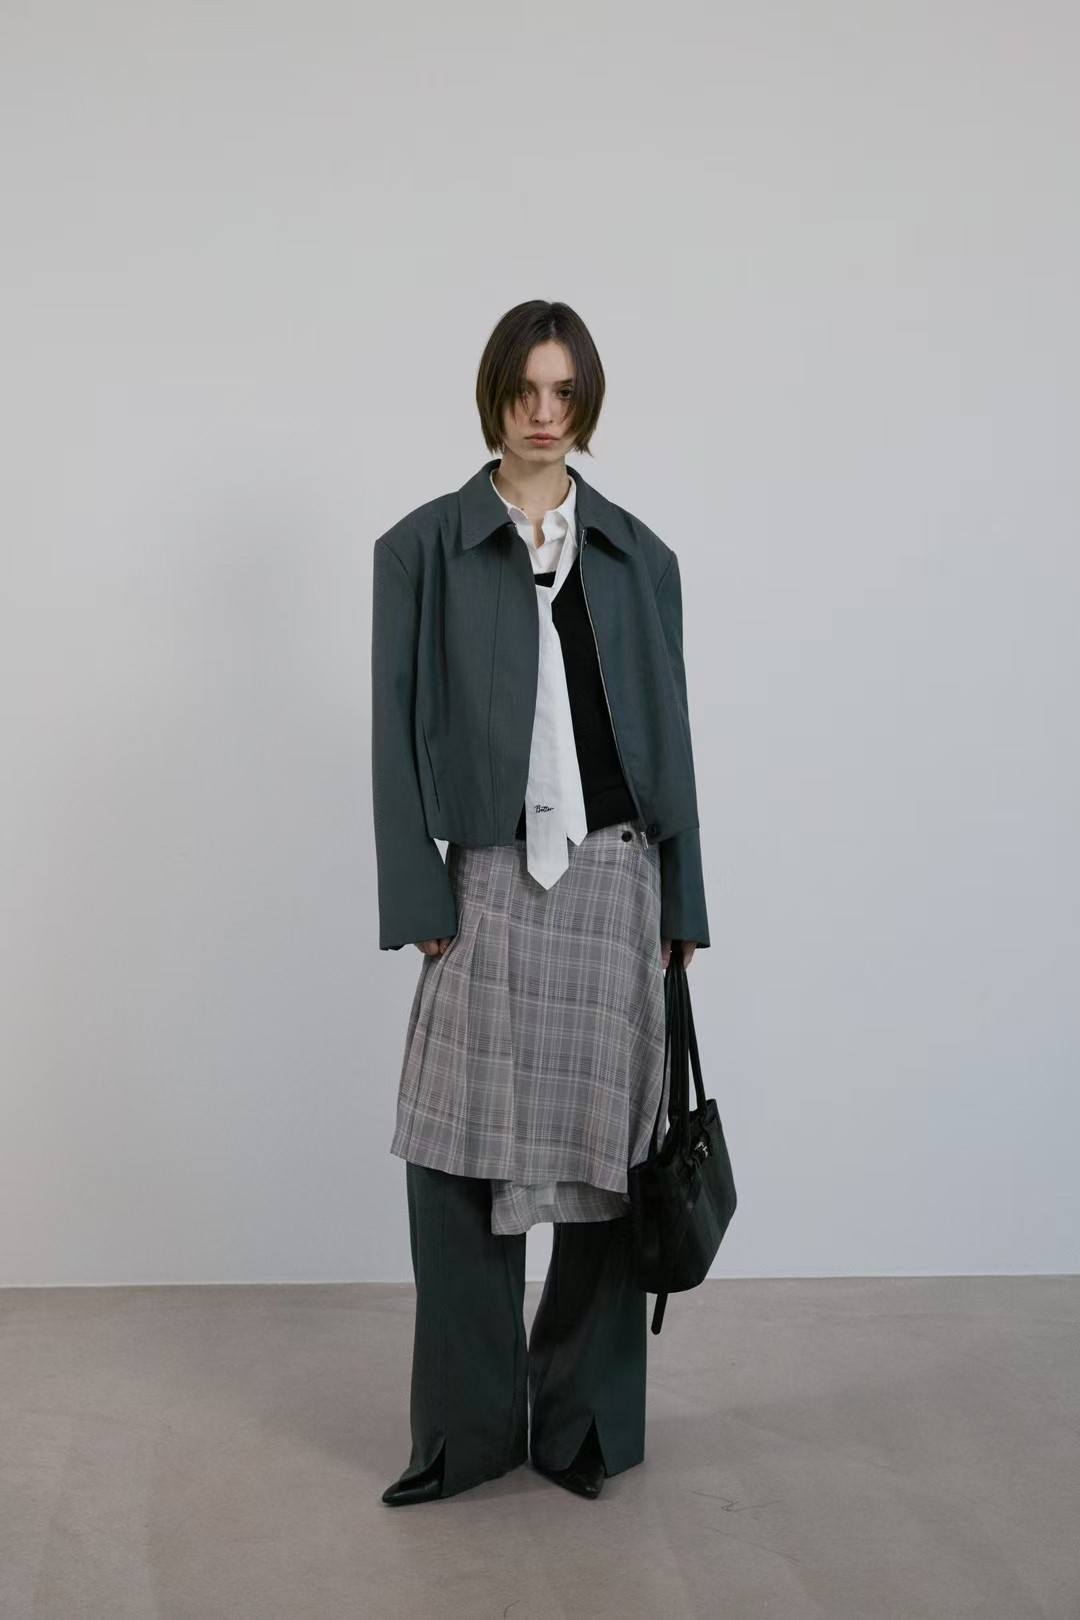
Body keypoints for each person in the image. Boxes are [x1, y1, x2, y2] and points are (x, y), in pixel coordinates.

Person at [371, 300, 710, 1504]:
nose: (544, 413)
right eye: (525, 389)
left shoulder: (640, 558)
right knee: (452, 1154)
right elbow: (390, 730)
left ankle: (584, 1428)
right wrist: (418, 889)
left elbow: (673, 736)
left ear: (587, 402)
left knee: (613, 1164)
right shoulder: (420, 549)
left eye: (565, 391)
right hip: (487, 876)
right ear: (496, 396)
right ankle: (466, 1435)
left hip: (616, 875)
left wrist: (686, 903)